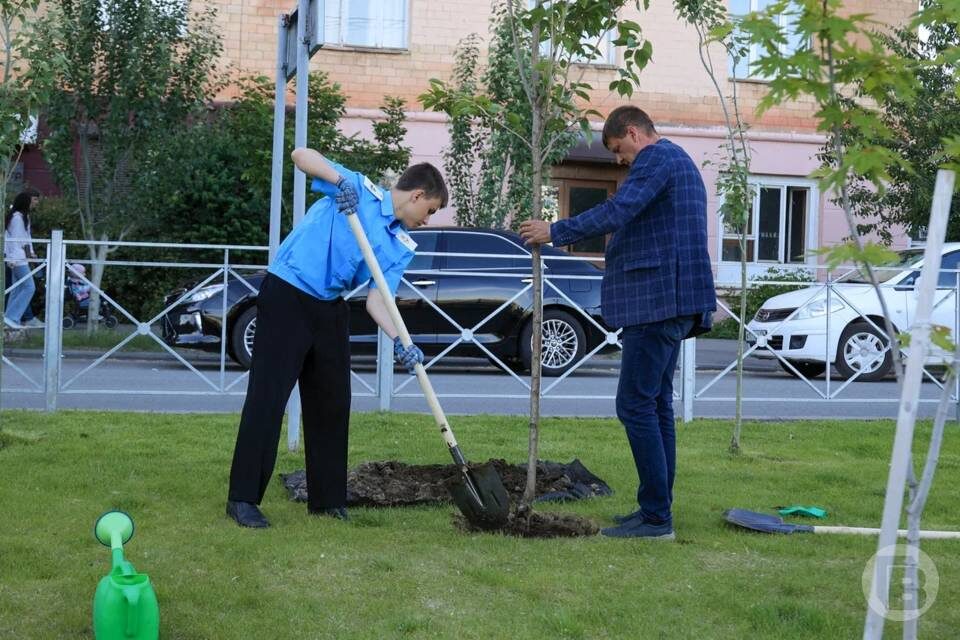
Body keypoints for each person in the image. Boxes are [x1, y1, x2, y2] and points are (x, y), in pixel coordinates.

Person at [519, 106, 716, 541]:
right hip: (670, 300)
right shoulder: (677, 161)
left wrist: (555, 231)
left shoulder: (658, 158)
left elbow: (619, 211)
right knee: (656, 405)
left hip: (657, 301)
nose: (619, 159)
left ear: (633, 133)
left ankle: (656, 519)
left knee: (635, 405)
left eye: (617, 149)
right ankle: (656, 509)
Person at [226, 149, 448, 528]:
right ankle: (243, 499)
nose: (427, 220)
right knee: (268, 398)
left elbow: (379, 300)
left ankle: (327, 501)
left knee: (332, 404)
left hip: (330, 307)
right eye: (430, 210)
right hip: (288, 293)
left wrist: (402, 341)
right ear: (417, 195)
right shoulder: (359, 189)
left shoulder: (400, 244)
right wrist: (338, 181)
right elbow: (300, 155)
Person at [4, 189, 43, 329]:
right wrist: (15, 258)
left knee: (17, 289)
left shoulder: (22, 217)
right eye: (35, 199)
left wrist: (31, 253)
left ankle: (9, 320)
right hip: (17, 259)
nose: (36, 202)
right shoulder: (17, 218)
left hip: (19, 257)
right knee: (29, 287)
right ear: (27, 201)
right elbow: (16, 240)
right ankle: (11, 318)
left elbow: (26, 238)